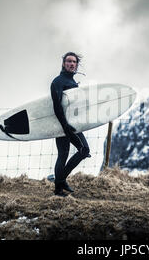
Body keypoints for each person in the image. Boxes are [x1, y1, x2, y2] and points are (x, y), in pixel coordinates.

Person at [50, 52, 91, 196]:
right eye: (69, 61)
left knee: (81, 151)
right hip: (64, 125)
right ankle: (59, 186)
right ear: (63, 63)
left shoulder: (73, 82)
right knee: (68, 153)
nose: (71, 64)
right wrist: (64, 126)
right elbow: (57, 106)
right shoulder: (58, 82)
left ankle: (59, 182)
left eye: (74, 62)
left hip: (73, 124)